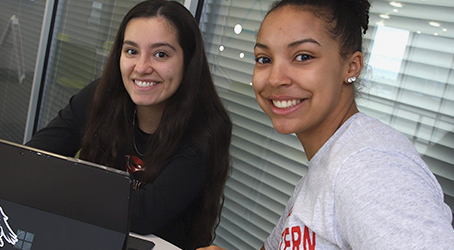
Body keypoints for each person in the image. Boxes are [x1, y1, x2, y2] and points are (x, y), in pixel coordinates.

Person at [199, 0, 454, 249]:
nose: (275, 78)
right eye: (264, 59)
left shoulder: (367, 167)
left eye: (303, 56)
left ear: (351, 66)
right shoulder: (326, 165)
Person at [26, 1, 232, 249]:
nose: (142, 68)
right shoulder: (103, 95)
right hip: (95, 237)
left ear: (188, 62)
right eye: (131, 51)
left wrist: (66, 181)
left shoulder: (207, 128)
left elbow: (144, 215)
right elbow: (32, 158)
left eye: (161, 54)